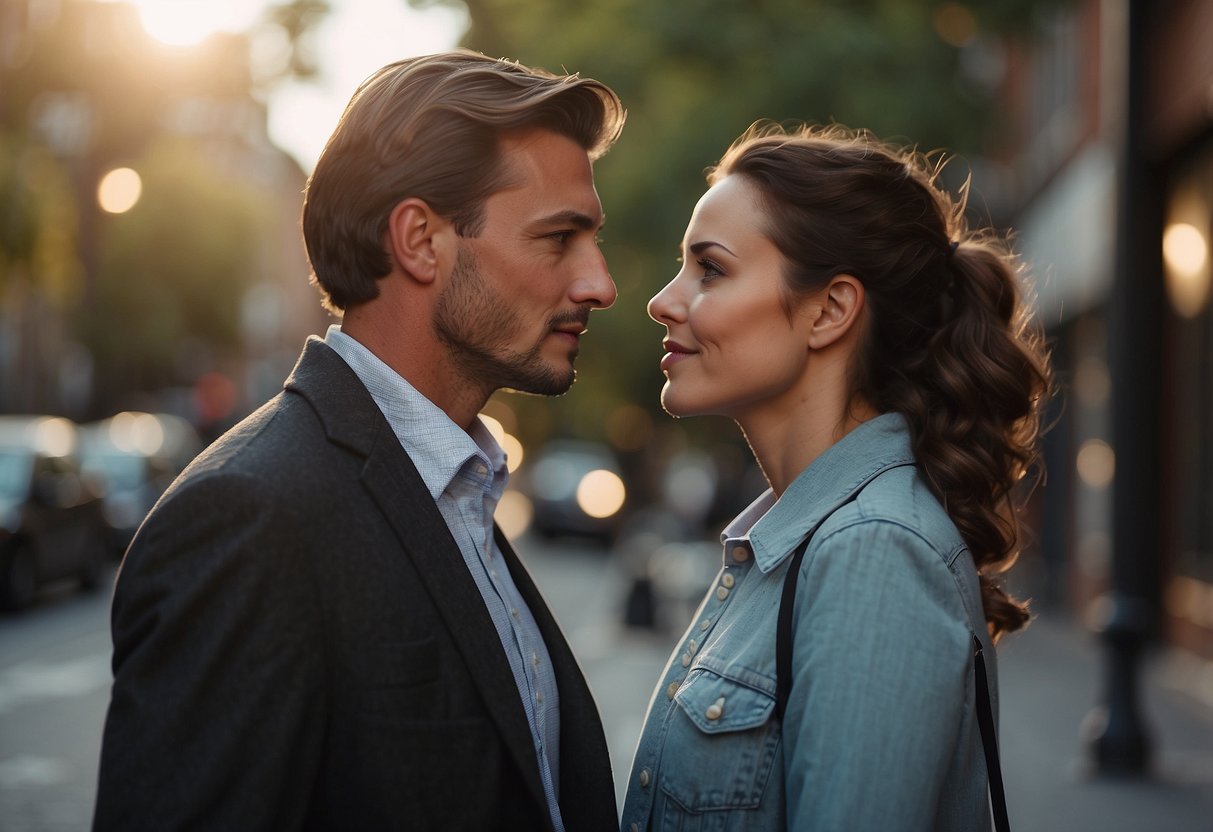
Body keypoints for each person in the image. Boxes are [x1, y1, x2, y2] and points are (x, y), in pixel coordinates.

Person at [94, 50, 625, 832]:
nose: (599, 284)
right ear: (418, 240)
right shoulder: (250, 517)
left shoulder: (459, 488)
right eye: (558, 239)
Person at [621, 123, 1051, 831]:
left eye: (710, 269)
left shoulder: (871, 552)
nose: (663, 301)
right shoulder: (800, 537)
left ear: (829, 310)